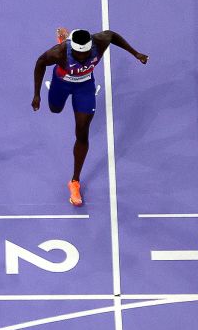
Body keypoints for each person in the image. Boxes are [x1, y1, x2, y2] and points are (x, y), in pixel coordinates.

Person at [32, 27, 148, 206]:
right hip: (61, 83)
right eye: (80, 55)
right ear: (72, 49)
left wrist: (135, 53)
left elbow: (112, 35)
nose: (83, 57)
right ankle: (63, 38)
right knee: (55, 109)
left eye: (86, 53)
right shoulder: (59, 53)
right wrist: (37, 94)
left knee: (82, 132)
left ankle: (74, 181)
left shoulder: (99, 42)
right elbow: (40, 62)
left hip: (85, 87)